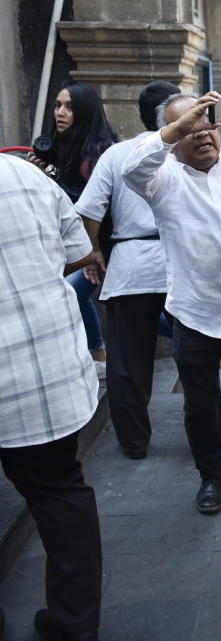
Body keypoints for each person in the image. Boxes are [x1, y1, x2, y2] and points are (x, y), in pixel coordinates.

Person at [123, 92, 221, 514]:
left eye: (207, 123)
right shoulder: (163, 180)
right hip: (195, 313)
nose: (202, 135)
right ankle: (210, 476)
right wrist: (175, 127)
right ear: (173, 138)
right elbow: (132, 167)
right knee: (200, 407)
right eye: (189, 129)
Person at [0, 153, 101, 641]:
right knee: (62, 496)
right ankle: (74, 625)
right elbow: (78, 251)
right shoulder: (24, 174)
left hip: (33, 375)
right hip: (43, 376)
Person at [74, 80, 180, 460]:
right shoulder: (185, 149)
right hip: (180, 263)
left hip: (130, 266)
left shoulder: (118, 154)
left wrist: (95, 254)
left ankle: (134, 441)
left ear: (139, 115)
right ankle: (212, 427)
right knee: (195, 355)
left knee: (127, 364)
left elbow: (87, 212)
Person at [27, 82, 118, 379]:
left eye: (69, 107)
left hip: (102, 246)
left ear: (85, 111)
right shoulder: (62, 144)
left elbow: (92, 205)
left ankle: (201, 336)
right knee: (109, 303)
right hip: (78, 245)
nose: (60, 113)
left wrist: (48, 179)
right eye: (57, 105)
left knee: (124, 307)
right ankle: (98, 355)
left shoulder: (98, 153)